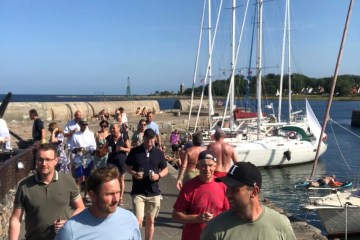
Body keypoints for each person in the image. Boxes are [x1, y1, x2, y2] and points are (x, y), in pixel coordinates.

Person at [200, 162, 297, 240]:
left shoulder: (280, 224)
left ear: (254, 192)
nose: (227, 194)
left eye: (234, 189)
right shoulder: (214, 228)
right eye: (228, 188)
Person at [9, 143, 85, 240]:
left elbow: (81, 207)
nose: (44, 164)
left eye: (48, 160)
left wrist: (68, 221)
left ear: (56, 161)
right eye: (40, 160)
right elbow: (16, 219)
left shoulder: (68, 181)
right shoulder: (24, 186)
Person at [55, 166, 141, 240]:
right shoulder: (70, 230)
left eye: (118, 192)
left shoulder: (130, 220)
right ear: (92, 195)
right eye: (109, 194)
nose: (116, 199)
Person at [172, 150, 229, 240]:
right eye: (203, 166)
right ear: (198, 167)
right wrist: (197, 218)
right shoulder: (189, 186)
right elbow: (176, 215)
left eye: (210, 165)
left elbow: (228, 214)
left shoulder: (222, 185)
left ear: (215, 166)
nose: (207, 169)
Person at [125, 128, 169, 240]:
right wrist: (134, 173)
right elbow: (126, 166)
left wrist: (158, 176)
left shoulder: (158, 153)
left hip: (154, 192)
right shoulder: (135, 151)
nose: (150, 140)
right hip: (138, 192)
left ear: (154, 138)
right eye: (148, 138)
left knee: (150, 220)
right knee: (138, 220)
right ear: (143, 138)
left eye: (152, 138)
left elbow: (165, 169)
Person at [103, 122, 131, 205]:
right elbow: (105, 148)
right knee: (111, 178)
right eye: (111, 128)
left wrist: (122, 148)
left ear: (118, 129)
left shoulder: (123, 137)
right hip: (111, 160)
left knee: (121, 179)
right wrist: (106, 149)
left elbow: (129, 149)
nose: (112, 130)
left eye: (114, 128)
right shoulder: (109, 138)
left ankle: (120, 197)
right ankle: (111, 195)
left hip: (121, 160)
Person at [71, 119, 96, 200]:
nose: (84, 126)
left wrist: (90, 150)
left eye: (86, 124)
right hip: (79, 159)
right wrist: (77, 149)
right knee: (78, 179)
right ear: (80, 125)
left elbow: (93, 146)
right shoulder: (75, 135)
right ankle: (77, 196)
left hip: (88, 159)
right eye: (83, 124)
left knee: (88, 178)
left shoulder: (91, 134)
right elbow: (71, 148)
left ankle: (86, 194)